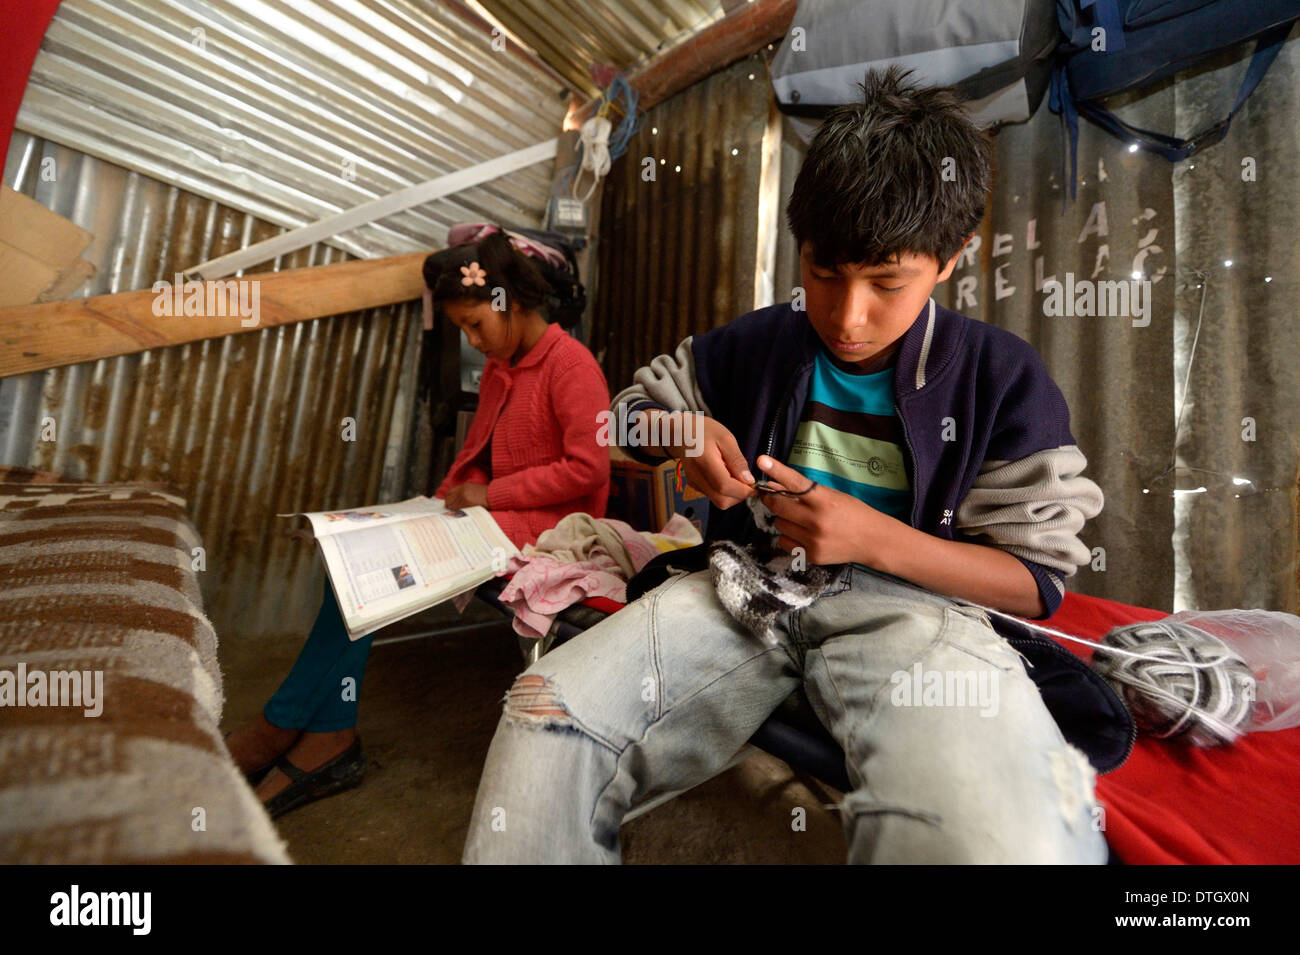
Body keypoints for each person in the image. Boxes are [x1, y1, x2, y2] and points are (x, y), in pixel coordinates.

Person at [462, 68, 1112, 864]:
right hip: (743, 589)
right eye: (824, 273)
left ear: (952, 258)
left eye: (886, 283)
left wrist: (875, 538)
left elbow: (1036, 580)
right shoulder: (764, 342)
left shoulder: (1000, 378)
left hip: (912, 612)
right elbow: (620, 418)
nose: (846, 315)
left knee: (999, 836)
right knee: (543, 718)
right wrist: (683, 432)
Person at [225, 230, 611, 818]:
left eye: (476, 324)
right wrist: (434, 505)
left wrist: (489, 492)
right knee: (350, 560)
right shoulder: (503, 369)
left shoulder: (571, 365)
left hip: (550, 528)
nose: (472, 341)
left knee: (374, 567)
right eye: (462, 329)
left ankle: (287, 729)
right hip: (499, 517)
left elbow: (588, 469)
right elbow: (477, 454)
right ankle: (324, 732)